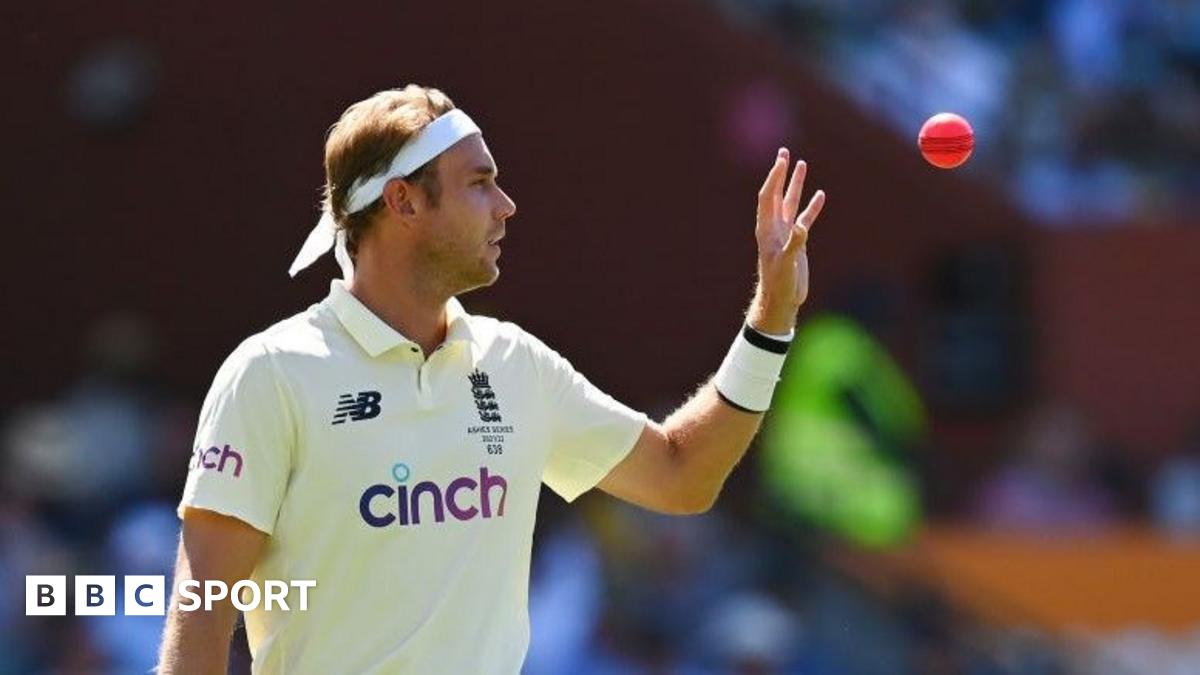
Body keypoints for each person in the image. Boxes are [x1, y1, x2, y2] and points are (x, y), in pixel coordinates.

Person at [156, 84, 826, 674]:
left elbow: (683, 476)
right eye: (479, 182)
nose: (506, 205)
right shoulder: (272, 373)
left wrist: (769, 322)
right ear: (404, 202)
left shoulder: (515, 363)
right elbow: (203, 610)